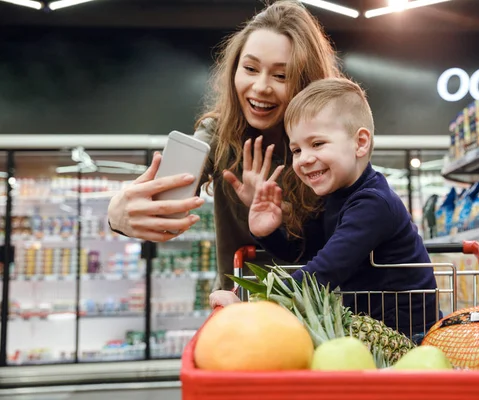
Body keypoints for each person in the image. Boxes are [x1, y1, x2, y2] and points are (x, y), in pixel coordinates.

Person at [106, 0, 341, 291]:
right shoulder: (218, 134)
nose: (261, 87)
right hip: (238, 307)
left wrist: (287, 217)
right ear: (234, 70)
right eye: (250, 68)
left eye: (281, 75)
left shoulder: (331, 146)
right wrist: (118, 211)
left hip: (324, 307)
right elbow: (163, 197)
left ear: (306, 83)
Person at [211, 78, 439, 338]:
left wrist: (252, 307)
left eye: (317, 144)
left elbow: (324, 271)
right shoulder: (336, 197)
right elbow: (304, 252)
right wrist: (268, 233)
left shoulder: (373, 203)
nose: (304, 159)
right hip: (369, 332)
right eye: (296, 149)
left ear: (360, 143)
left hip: (408, 336)